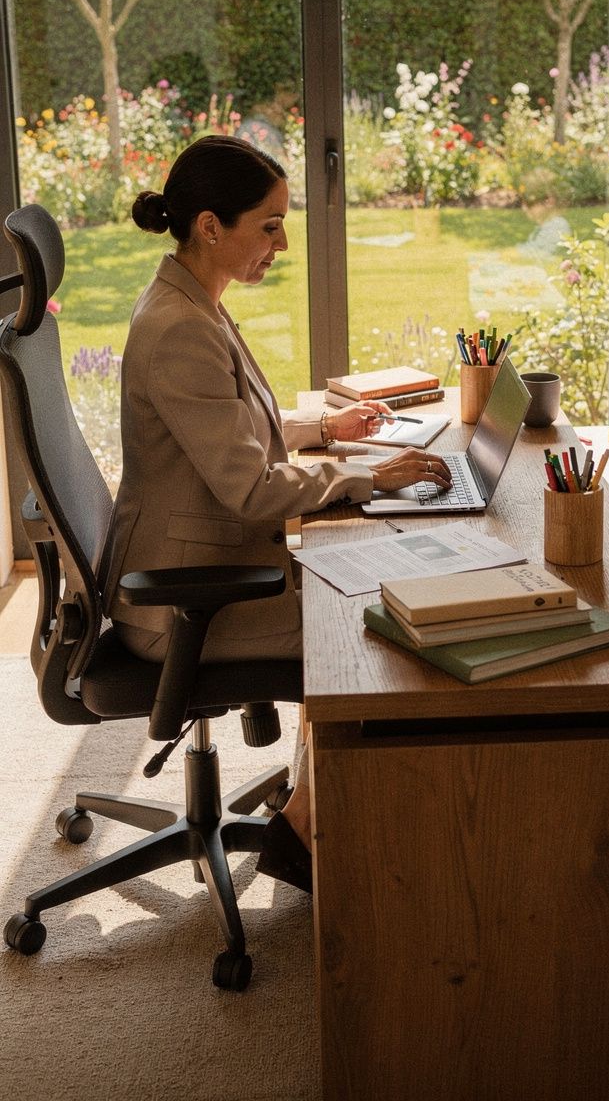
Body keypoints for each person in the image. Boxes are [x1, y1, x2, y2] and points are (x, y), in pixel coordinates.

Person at [101, 133, 452, 893]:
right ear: (208, 226)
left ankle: (309, 804)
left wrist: (327, 433)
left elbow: (230, 433)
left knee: (365, 589)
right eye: (268, 225)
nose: (282, 243)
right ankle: (306, 827)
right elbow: (253, 490)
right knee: (372, 633)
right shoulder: (179, 330)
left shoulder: (192, 300)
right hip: (185, 596)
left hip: (202, 559)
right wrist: (364, 483)